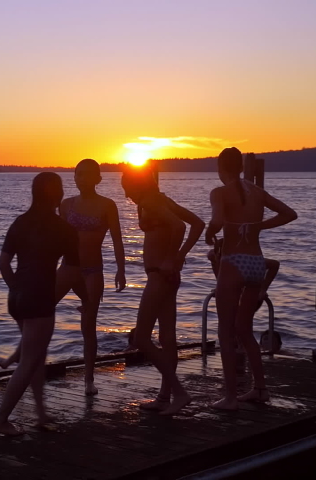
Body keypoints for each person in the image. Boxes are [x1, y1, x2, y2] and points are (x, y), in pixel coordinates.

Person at [206, 147, 297, 410]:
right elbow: (290, 213)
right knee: (244, 330)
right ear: (242, 168)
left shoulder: (219, 192)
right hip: (256, 262)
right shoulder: (257, 192)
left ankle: (231, 397)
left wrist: (209, 234)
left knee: (226, 331)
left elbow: (217, 219)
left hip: (233, 261)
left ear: (219, 167)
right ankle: (260, 389)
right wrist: (259, 226)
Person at [0, 172, 80, 436]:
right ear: (58, 194)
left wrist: (16, 289)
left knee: (36, 356)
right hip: (39, 298)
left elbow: (3, 263)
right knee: (29, 361)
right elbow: (73, 270)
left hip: (16, 298)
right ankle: (0, 420)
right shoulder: (64, 228)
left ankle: (40, 412)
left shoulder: (20, 222)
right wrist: (86, 298)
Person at [121, 166, 204, 415]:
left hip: (159, 275)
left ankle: (179, 393)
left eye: (127, 189)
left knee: (142, 338)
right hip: (167, 276)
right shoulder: (160, 199)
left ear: (137, 185)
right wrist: (178, 257)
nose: (127, 196)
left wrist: (173, 257)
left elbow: (180, 227)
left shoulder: (151, 201)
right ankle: (165, 396)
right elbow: (198, 224)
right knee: (167, 340)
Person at [53, 159, 127, 396]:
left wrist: (121, 269)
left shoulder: (107, 205)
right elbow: (58, 240)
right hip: (68, 268)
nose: (80, 178)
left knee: (89, 325)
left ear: (97, 178)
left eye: (85, 174)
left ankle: (88, 379)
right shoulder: (66, 205)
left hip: (92, 271)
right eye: (77, 174)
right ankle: (27, 362)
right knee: (40, 309)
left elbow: (117, 239)